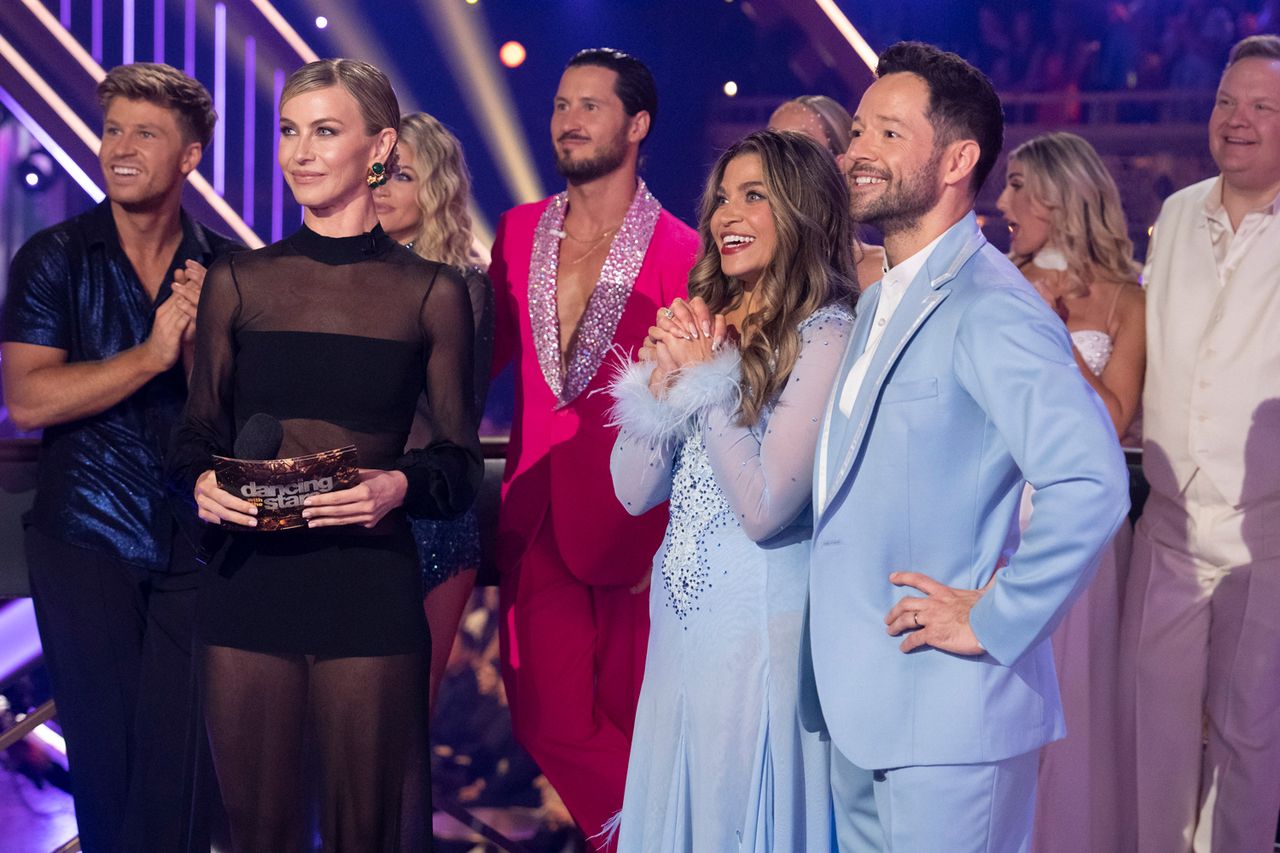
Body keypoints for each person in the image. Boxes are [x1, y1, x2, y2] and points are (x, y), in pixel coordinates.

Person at [806, 42, 1129, 851]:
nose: (857, 152)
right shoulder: (880, 296)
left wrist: (998, 616)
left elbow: (1091, 480)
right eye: (857, 131)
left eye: (887, 133)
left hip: (951, 718)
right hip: (862, 711)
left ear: (957, 159)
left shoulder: (993, 305)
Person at [168, 59, 482, 851]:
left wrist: (394, 486)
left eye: (325, 131)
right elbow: (193, 437)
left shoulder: (430, 293)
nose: (300, 152)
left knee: (363, 835)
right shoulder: (238, 280)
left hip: (368, 585)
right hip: (249, 587)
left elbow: (457, 465)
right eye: (289, 131)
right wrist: (204, 480)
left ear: (377, 151)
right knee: (256, 836)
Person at [0, 62, 239, 853]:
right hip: (84, 541)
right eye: (112, 129)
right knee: (108, 774)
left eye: (145, 132)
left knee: (184, 776)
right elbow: (30, 400)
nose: (120, 148)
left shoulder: (231, 268)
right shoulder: (52, 257)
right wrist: (150, 354)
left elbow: (248, 414)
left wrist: (207, 346)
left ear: (191, 156)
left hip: (196, 545)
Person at [607, 129, 857, 851]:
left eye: (754, 195)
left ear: (803, 210)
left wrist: (707, 380)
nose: (726, 215)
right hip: (679, 620)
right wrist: (659, 385)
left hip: (760, 624)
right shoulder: (706, 322)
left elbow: (764, 506)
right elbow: (631, 492)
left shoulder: (827, 335)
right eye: (722, 198)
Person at [488, 47, 699, 846]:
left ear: (636, 125)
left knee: (626, 711)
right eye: (559, 106)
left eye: (589, 106)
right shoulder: (514, 231)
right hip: (533, 511)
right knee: (545, 712)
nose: (568, 122)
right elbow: (478, 360)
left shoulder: (685, 249)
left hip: (637, 522)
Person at [1118, 34, 1280, 853]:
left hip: (1269, 535)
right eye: (1226, 102)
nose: (1238, 120)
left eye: (1262, 106)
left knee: (1252, 742)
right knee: (1155, 729)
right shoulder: (1177, 213)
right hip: (1173, 528)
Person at [996, 131, 1146, 853]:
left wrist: (1055, 335)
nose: (1002, 201)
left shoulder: (1126, 300)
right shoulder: (994, 280)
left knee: (1076, 695)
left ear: (1059, 194)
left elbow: (1113, 420)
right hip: (997, 515)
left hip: (1079, 519)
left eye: (1019, 184)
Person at [374, 110, 494, 712]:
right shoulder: (325, 277)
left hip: (429, 513)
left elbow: (450, 415)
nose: (382, 187)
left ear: (436, 186)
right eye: (376, 173)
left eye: (400, 175)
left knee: (402, 720)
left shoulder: (464, 288)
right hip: (346, 510)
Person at [768, 96, 887, 290]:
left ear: (841, 163)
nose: (779, 160)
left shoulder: (881, 272)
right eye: (772, 146)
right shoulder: (753, 266)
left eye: (798, 147)